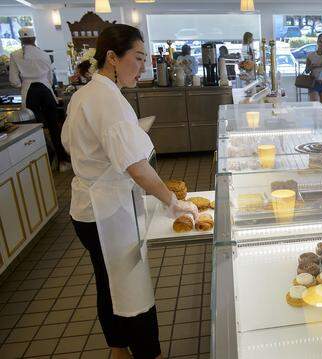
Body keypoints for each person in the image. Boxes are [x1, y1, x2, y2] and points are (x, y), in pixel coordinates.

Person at [61, 24, 199, 359]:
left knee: (108, 283)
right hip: (107, 212)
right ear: (112, 57)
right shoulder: (109, 100)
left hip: (86, 209)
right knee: (130, 289)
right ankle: (149, 354)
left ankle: (118, 350)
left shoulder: (85, 94)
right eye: (137, 58)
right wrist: (173, 201)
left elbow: (72, 143)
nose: (143, 67)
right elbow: (137, 169)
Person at [9, 27, 69, 169]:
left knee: (36, 128)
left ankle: (44, 160)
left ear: (20, 40)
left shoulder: (15, 55)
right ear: (34, 39)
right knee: (54, 127)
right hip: (46, 91)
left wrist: (21, 84)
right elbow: (49, 77)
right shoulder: (43, 54)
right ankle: (62, 161)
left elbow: (13, 80)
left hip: (29, 92)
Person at [305, 33, 322, 105]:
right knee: (315, 106)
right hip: (314, 83)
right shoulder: (311, 55)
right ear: (317, 42)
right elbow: (306, 71)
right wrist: (312, 67)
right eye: (320, 41)